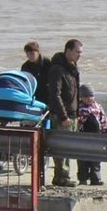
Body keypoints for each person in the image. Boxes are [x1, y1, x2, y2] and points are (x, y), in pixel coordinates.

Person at [43, 38, 83, 186]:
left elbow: (75, 92)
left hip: (72, 114)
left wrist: (77, 113)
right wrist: (63, 115)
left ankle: (63, 176)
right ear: (68, 51)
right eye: (77, 52)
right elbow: (55, 94)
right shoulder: (58, 69)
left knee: (69, 147)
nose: (80, 55)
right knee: (62, 147)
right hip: (62, 115)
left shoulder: (72, 68)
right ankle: (61, 177)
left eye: (81, 52)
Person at [76, 84, 107, 185]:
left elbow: (103, 119)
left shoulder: (97, 107)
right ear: (81, 97)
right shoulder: (80, 108)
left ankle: (96, 178)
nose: (89, 99)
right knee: (83, 159)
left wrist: (105, 130)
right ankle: (83, 178)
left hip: (96, 136)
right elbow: (78, 122)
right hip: (84, 136)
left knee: (96, 158)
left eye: (91, 96)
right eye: (86, 97)